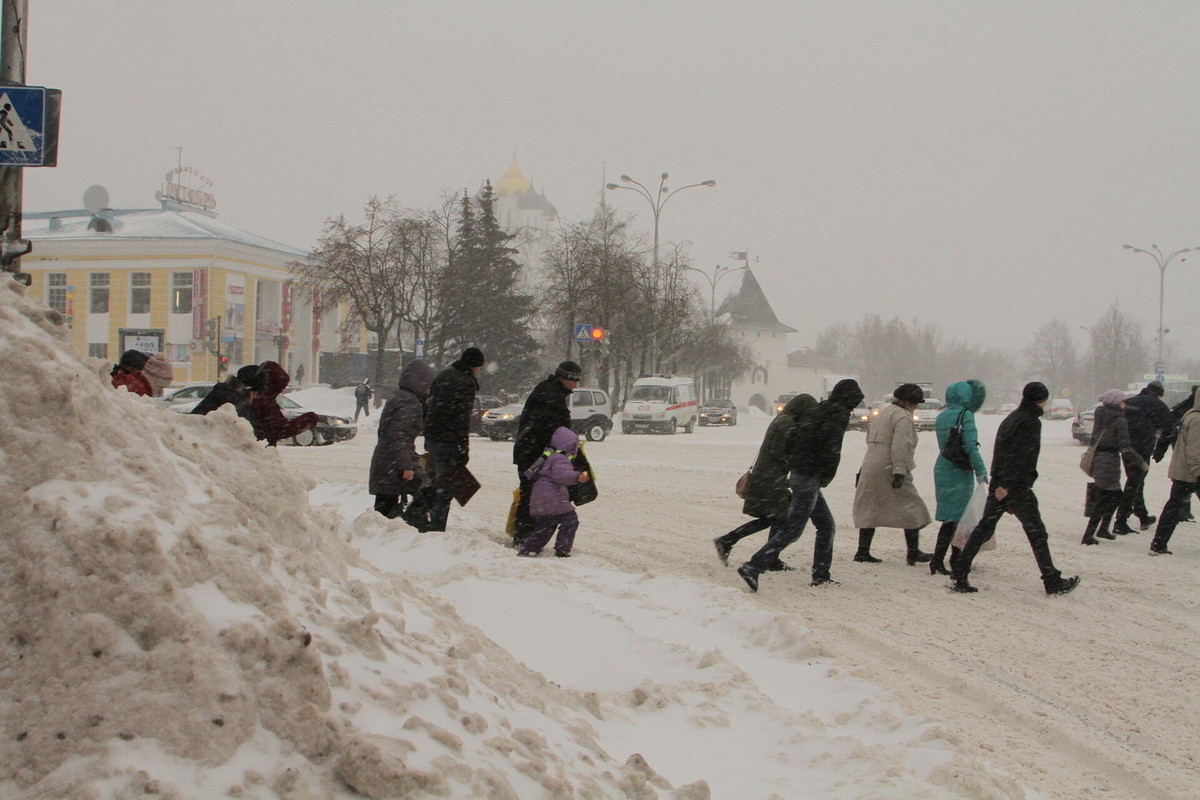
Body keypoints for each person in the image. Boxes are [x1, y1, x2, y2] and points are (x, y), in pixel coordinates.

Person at [950, 382, 1079, 595]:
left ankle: (960, 571)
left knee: (984, 529)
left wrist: (999, 484)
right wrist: (1009, 488)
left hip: (1003, 482)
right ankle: (1051, 580)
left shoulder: (1012, 418)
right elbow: (1024, 457)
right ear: (1041, 399)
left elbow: (1002, 452)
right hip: (1016, 486)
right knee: (1036, 532)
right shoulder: (1030, 422)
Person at [736, 378, 864, 592]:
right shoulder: (837, 415)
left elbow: (798, 438)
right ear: (849, 399)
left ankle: (821, 575)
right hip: (809, 477)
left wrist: (799, 465)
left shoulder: (818, 410)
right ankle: (754, 566)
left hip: (801, 474)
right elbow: (831, 448)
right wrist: (824, 474)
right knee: (793, 530)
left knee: (825, 526)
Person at [713, 393, 816, 569]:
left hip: (767, 474)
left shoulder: (781, 420)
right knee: (778, 517)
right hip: (771, 476)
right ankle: (739, 544)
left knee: (773, 517)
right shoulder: (788, 423)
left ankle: (735, 542)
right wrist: (794, 460)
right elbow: (779, 451)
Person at [852, 383, 933, 565]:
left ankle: (862, 551)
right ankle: (913, 552)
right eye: (916, 403)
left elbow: (870, 441)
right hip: (888, 465)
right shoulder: (903, 417)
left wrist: (863, 469)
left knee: (869, 505)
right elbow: (900, 446)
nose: (917, 407)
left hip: (870, 463)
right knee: (912, 506)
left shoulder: (883, 413)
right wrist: (899, 471)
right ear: (908, 402)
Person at [511, 360, 579, 548]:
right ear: (565, 378)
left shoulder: (549, 391)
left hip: (532, 451)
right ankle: (524, 536)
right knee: (532, 495)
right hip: (534, 454)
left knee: (532, 494)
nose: (576, 385)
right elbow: (549, 428)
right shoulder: (550, 395)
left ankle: (526, 535)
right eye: (574, 380)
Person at [929, 380, 989, 575]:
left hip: (943, 466)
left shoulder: (942, 415)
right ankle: (953, 558)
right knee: (959, 519)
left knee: (950, 518)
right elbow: (970, 446)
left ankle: (940, 559)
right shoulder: (966, 415)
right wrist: (980, 470)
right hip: (959, 470)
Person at [424, 347, 485, 532]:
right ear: (474, 366)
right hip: (449, 440)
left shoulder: (443, 375)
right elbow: (461, 418)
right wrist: (463, 448)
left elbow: (429, 406)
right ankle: (436, 527)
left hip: (434, 436)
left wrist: (429, 435)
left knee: (436, 482)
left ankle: (424, 517)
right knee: (447, 485)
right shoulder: (465, 383)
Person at [369, 359, 436, 525]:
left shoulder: (401, 398)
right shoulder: (409, 403)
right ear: (419, 382)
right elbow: (398, 436)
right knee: (427, 491)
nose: (430, 389)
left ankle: (395, 532)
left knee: (385, 505)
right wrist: (406, 466)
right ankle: (410, 527)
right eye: (428, 384)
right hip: (395, 461)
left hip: (388, 460)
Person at [1082, 390, 1147, 545]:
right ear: (1118, 403)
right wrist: (1141, 462)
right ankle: (1089, 535)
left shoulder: (1100, 414)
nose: (1125, 404)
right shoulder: (1119, 420)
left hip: (1099, 459)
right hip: (1109, 461)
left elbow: (1094, 439)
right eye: (1123, 401)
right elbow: (1125, 447)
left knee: (1112, 497)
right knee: (1106, 499)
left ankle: (1102, 529)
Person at [517, 425, 591, 557]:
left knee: (545, 526)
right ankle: (562, 548)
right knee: (570, 520)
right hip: (552, 498)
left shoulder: (551, 456)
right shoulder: (561, 459)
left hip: (542, 498)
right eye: (576, 445)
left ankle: (530, 548)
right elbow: (559, 476)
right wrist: (577, 477)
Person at [1113, 382, 1176, 533]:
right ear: (1159, 394)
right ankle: (1120, 521)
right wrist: (1160, 451)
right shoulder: (1157, 405)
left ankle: (1142, 516)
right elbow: (1170, 429)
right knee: (1135, 483)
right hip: (1142, 449)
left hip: (1126, 448)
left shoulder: (1130, 402)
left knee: (1134, 482)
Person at [1148, 399, 1200, 556]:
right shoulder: (1197, 420)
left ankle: (1158, 543)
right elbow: (1195, 450)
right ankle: (1158, 543)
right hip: (1190, 473)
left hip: (1184, 471)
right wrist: (1198, 471)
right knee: (1173, 507)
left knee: (1173, 507)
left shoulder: (1190, 415)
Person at [250, 361, 318, 446]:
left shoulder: (254, 397)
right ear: (274, 383)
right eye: (281, 384)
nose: (281, 388)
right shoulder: (264, 402)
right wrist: (308, 419)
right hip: (260, 451)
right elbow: (279, 430)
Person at [191, 364, 265, 429]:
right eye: (258, 393)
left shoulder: (220, 392)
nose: (256, 397)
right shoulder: (239, 402)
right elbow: (253, 434)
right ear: (251, 389)